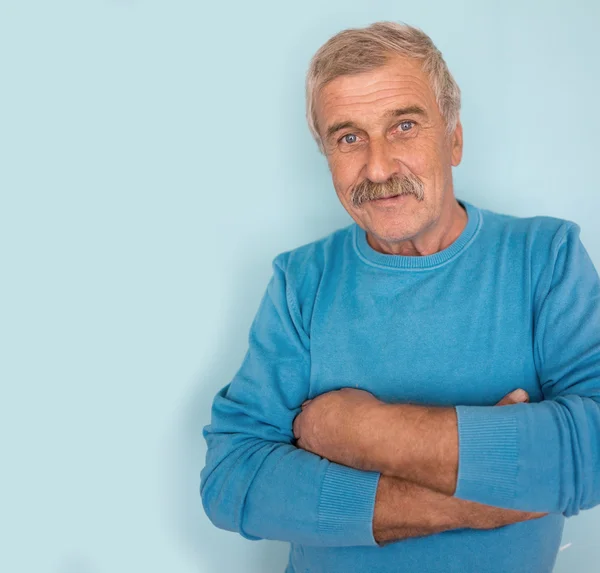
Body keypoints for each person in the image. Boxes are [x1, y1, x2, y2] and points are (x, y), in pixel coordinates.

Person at [200, 21, 600, 573]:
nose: (379, 166)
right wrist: (473, 494)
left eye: (404, 126)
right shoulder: (301, 281)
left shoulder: (546, 257)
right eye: (348, 137)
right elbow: (231, 478)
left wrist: (355, 431)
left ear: (454, 138)